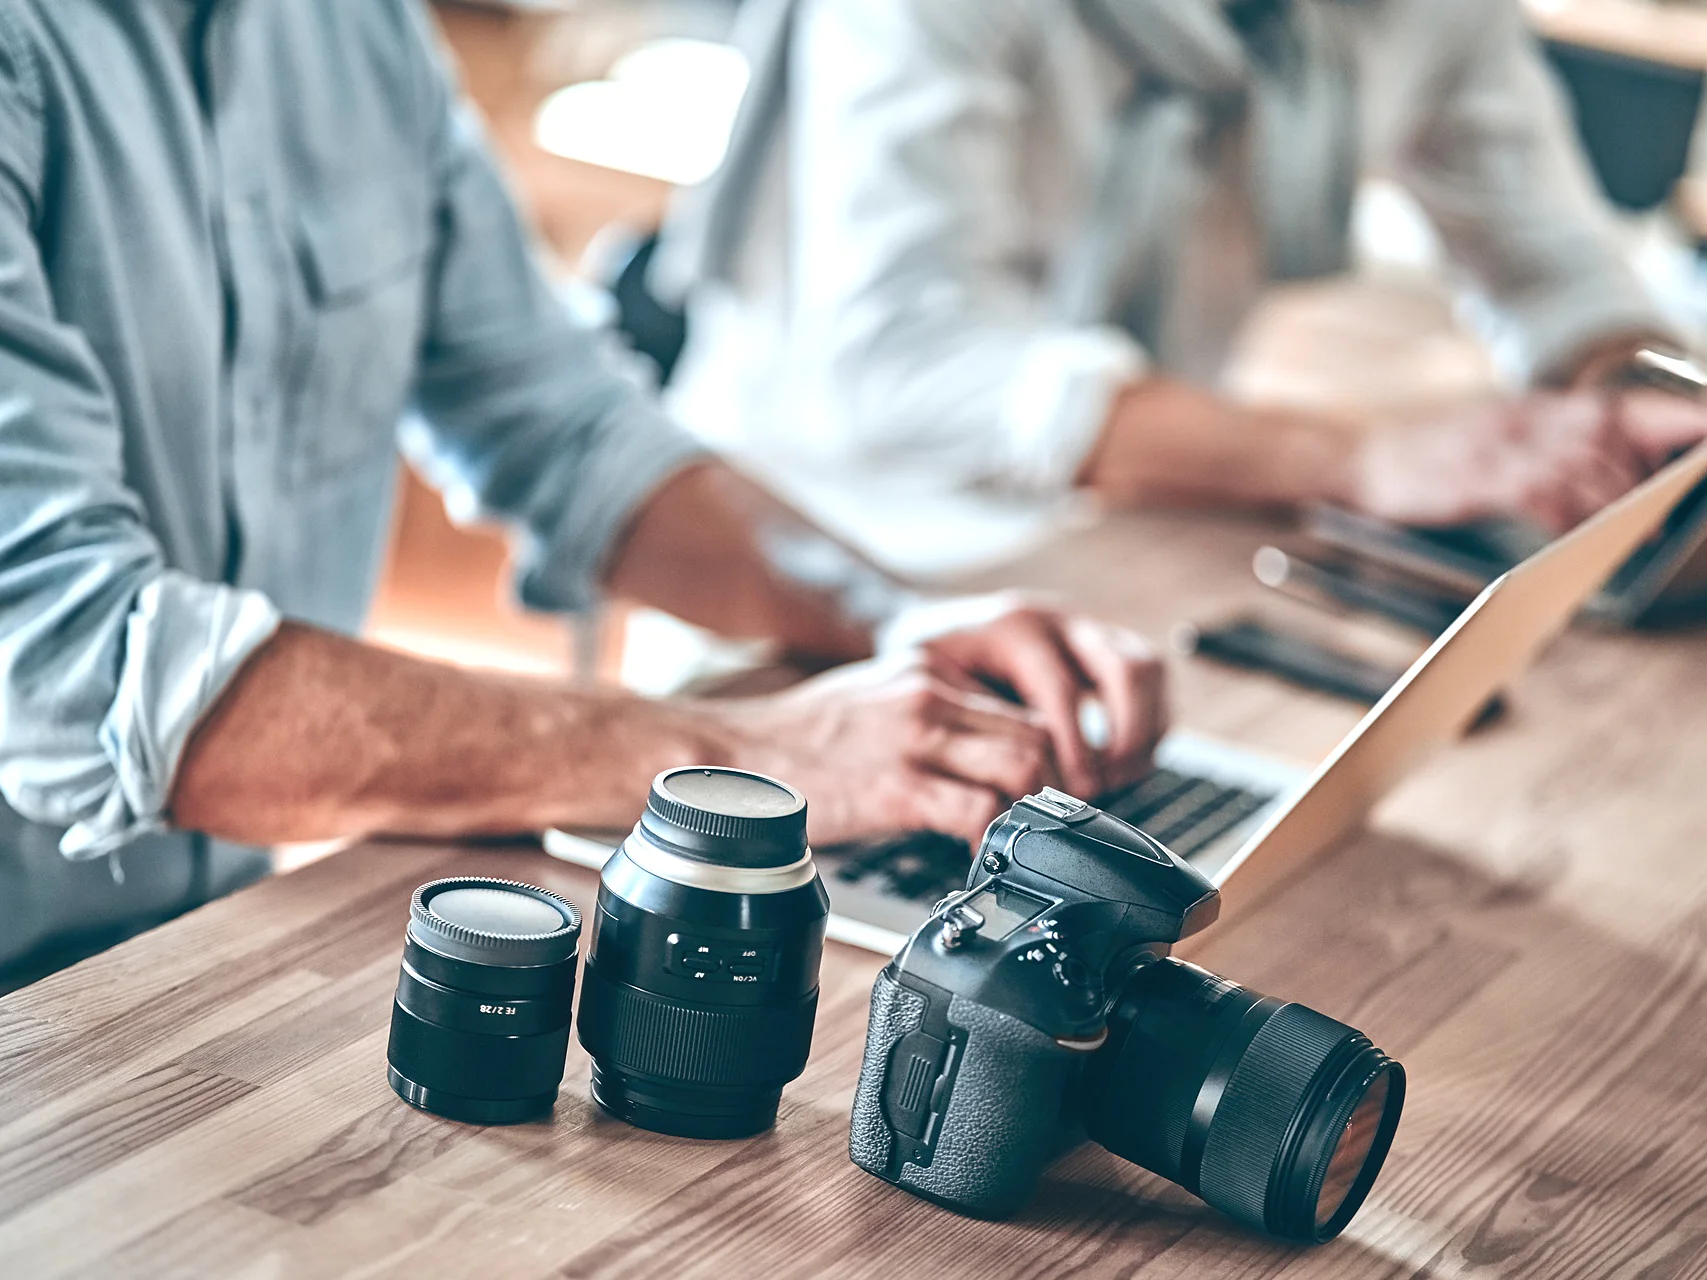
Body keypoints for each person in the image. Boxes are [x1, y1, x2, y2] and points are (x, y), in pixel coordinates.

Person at [0, 0, 1166, 979]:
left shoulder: (351, 28)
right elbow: (89, 671)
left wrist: (891, 613)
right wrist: (749, 757)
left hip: (197, 946)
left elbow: (562, 425)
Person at [659, 0, 1707, 541]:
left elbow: (1556, 265)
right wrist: (1359, 458)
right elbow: (900, 366)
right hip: (816, 534)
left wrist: (1640, 406)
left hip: (1131, 529)